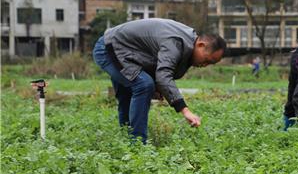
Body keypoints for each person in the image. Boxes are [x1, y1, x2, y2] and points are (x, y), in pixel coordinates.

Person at [92, 18, 227, 143]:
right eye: (207, 60)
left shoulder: (187, 42)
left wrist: (157, 87)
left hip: (127, 53)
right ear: (201, 45)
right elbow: (163, 75)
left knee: (132, 91)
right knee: (143, 85)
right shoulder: (176, 42)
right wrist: (184, 110)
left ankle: (127, 137)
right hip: (109, 48)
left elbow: (155, 60)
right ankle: (138, 143)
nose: (205, 65)